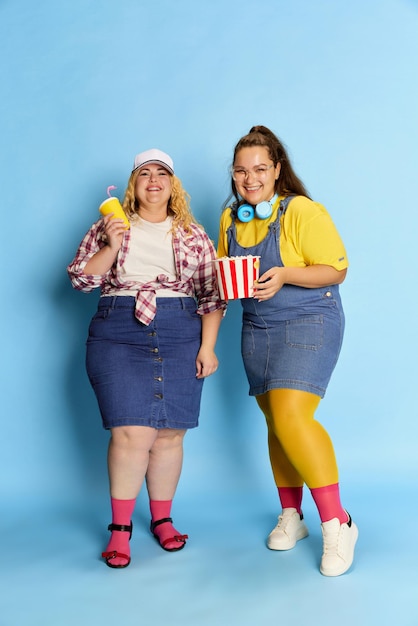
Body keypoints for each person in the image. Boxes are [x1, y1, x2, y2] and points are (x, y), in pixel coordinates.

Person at [68, 148, 225, 568]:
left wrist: (207, 348)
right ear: (133, 185)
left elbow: (212, 295)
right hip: (119, 328)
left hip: (181, 328)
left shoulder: (193, 233)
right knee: (130, 434)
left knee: (171, 433)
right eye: (144, 174)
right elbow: (81, 280)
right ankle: (121, 529)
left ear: (173, 185)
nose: (153, 180)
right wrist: (112, 244)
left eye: (162, 174)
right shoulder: (109, 225)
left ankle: (162, 519)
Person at [217, 125, 358, 577]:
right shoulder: (229, 218)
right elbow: (226, 274)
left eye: (260, 168)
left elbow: (336, 270)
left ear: (278, 170)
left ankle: (338, 522)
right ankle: (291, 515)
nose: (250, 178)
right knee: (276, 422)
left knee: (293, 414)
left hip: (308, 319)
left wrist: (283, 275)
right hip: (257, 325)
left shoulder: (301, 211)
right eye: (241, 171)